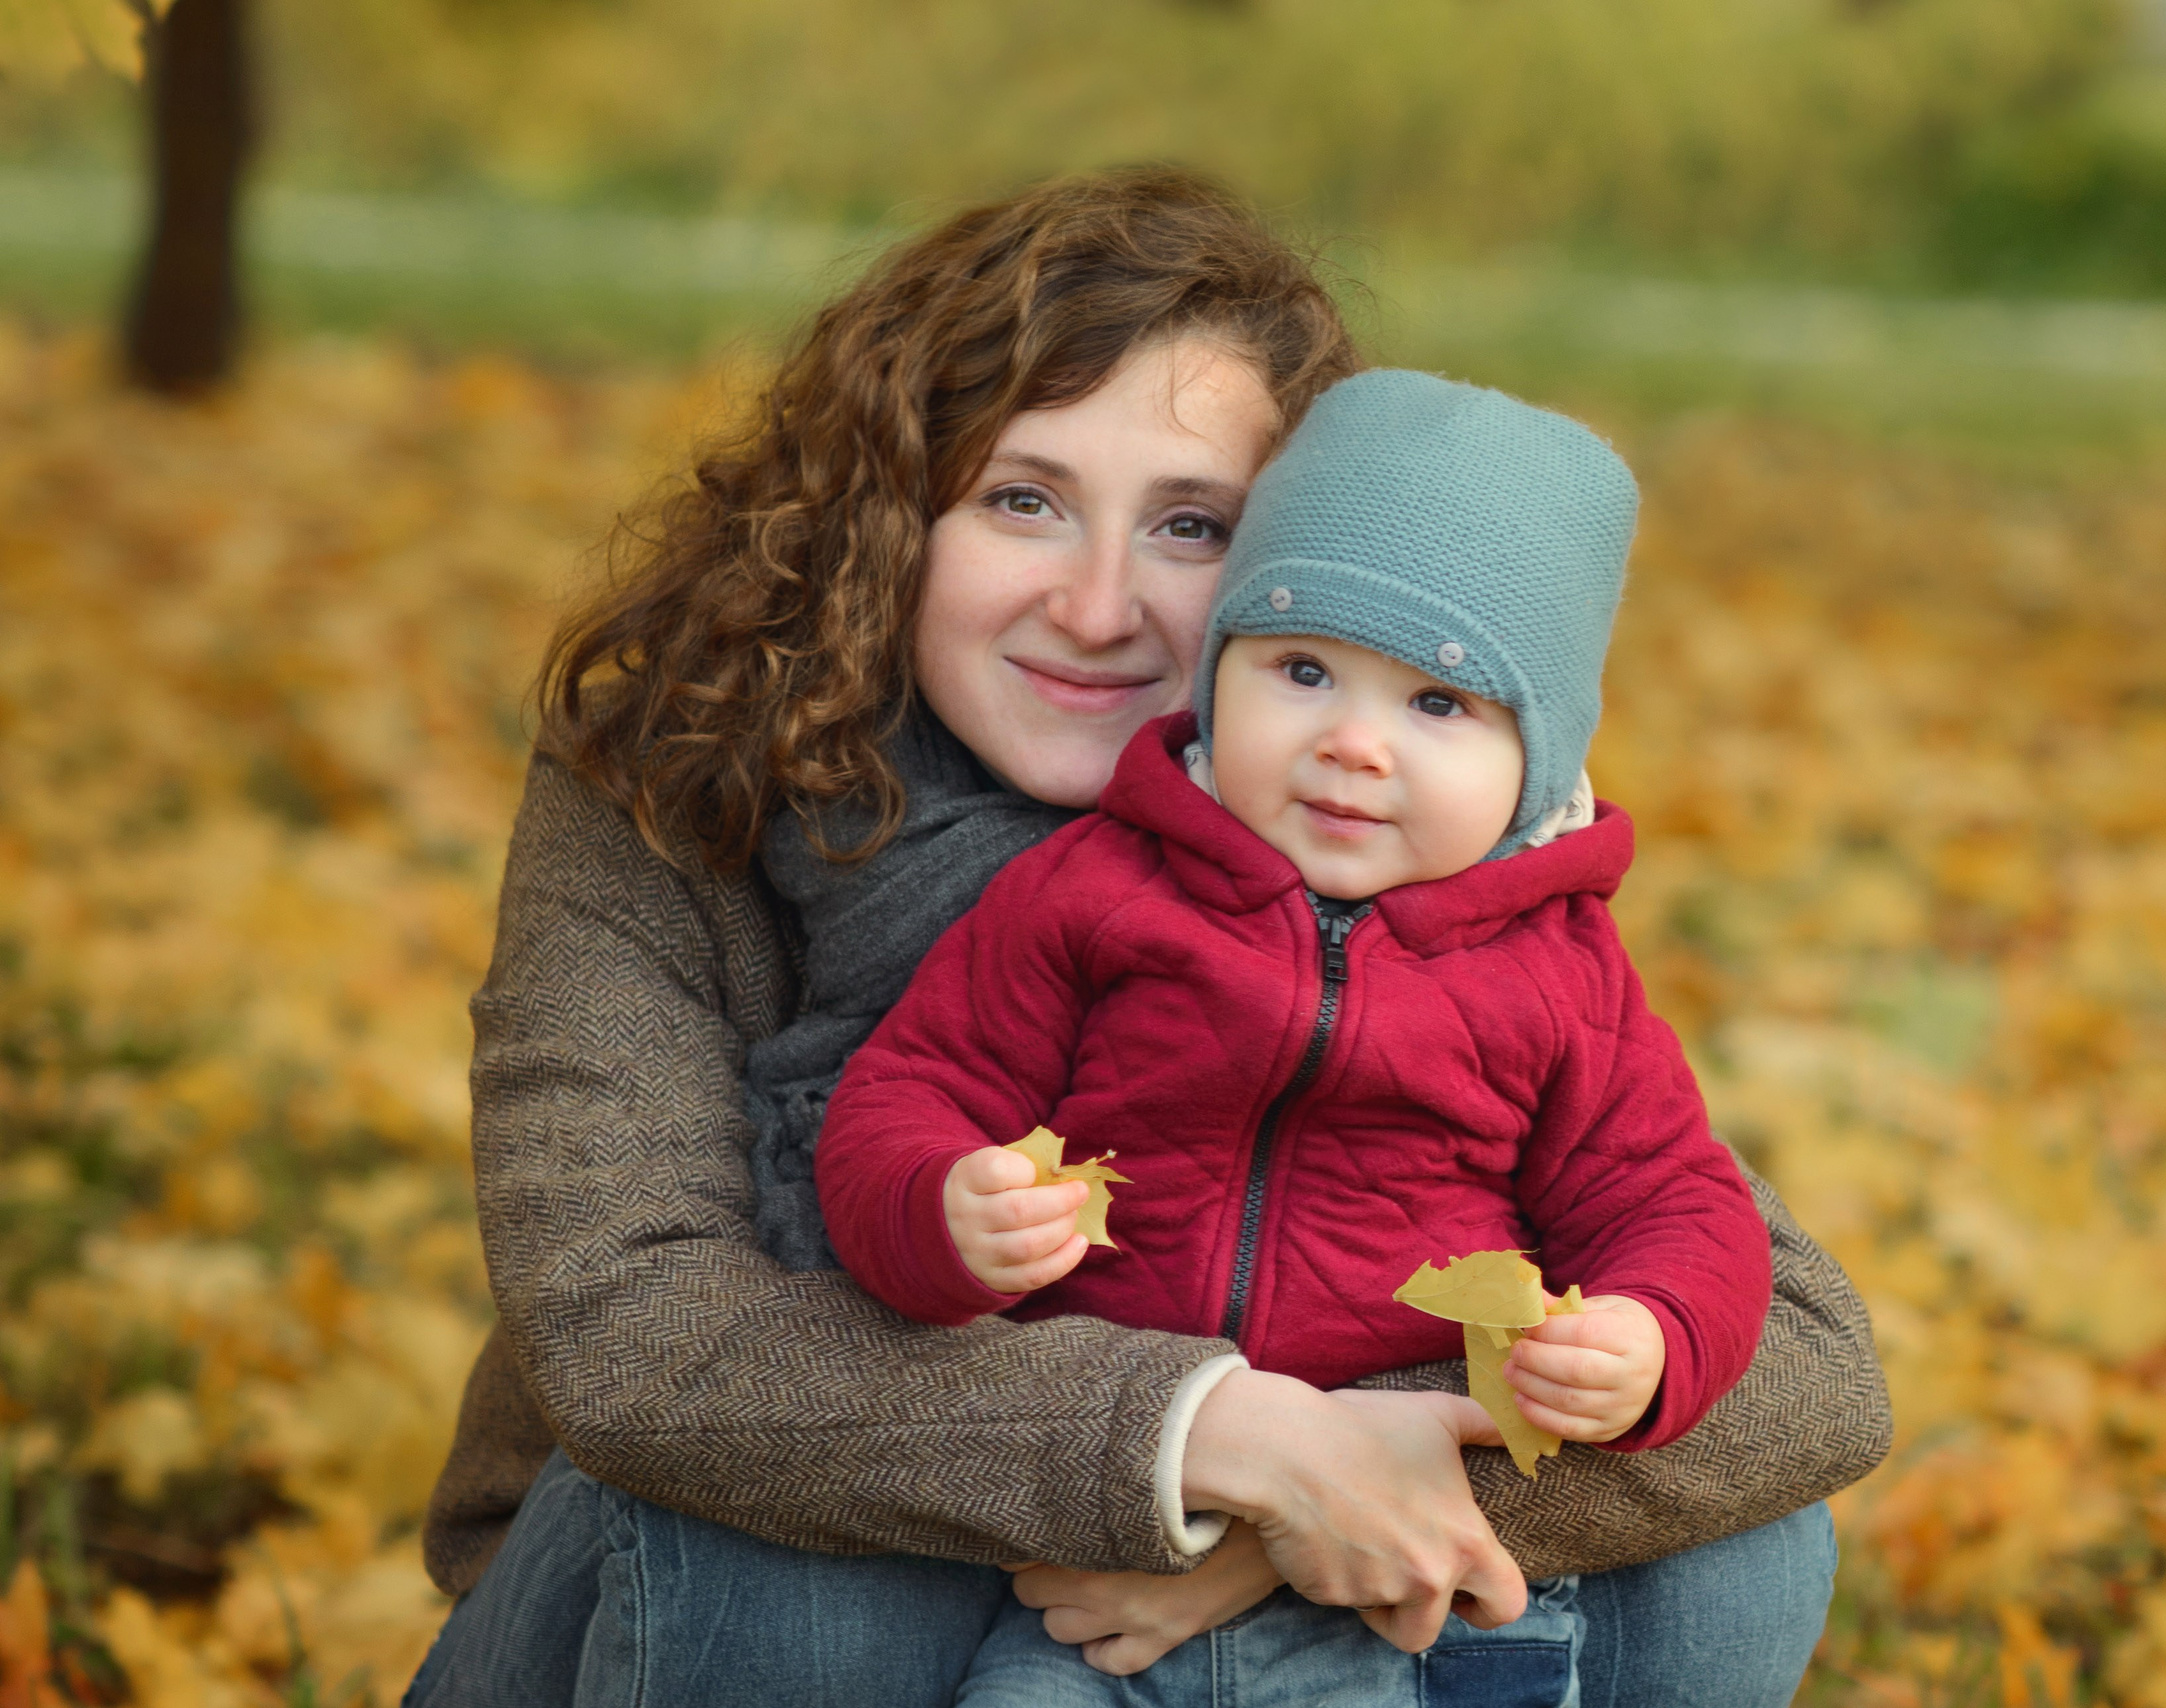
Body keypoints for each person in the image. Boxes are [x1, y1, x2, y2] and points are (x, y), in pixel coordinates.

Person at [407, 168, 1891, 1708]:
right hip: (679, 1593)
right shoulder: (676, 767)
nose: (1102, 608)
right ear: (889, 519)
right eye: (1022, 501)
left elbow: (1801, 1358)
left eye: (1192, 527)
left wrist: (1307, 1508)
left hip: (1193, 1576)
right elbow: (641, 1338)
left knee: (1735, 1550)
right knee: (801, 1564)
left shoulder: (1362, 855)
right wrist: (1224, 1443)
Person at [815, 370, 1775, 1707]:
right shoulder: (1094, 891)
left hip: (1416, 1598)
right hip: (1101, 1565)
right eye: (1302, 671)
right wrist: (941, 1208)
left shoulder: (1562, 977)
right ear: (1219, 677)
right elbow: (914, 1090)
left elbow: (1669, 1196)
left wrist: (1651, 1336)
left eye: (1438, 706)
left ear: (1537, 761)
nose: (1352, 746)